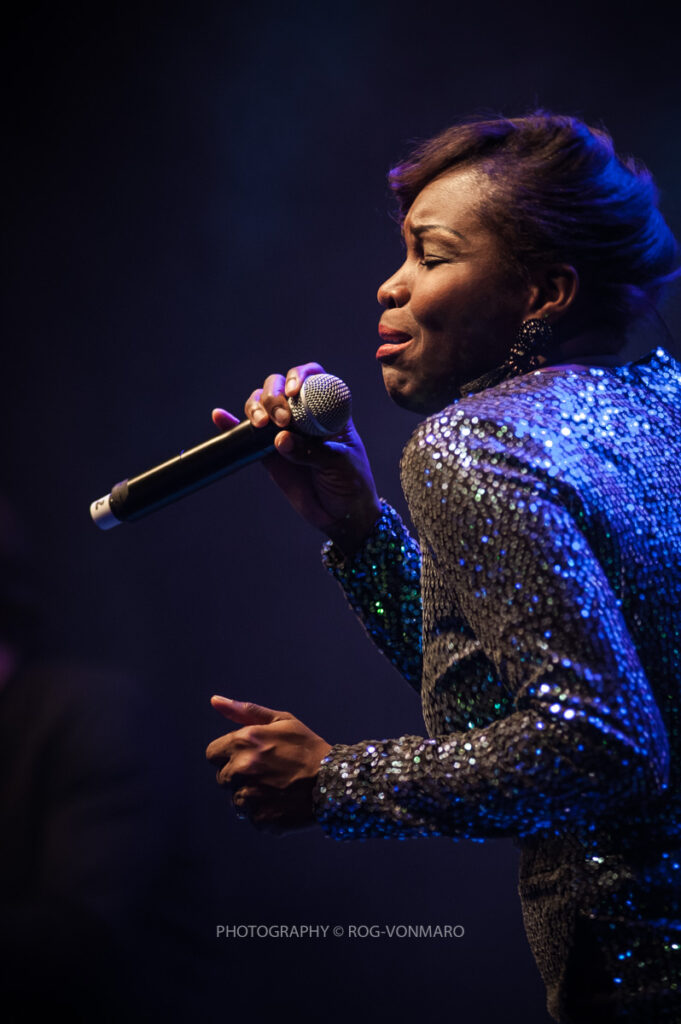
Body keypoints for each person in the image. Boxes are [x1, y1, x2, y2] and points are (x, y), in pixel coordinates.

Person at [205, 113, 681, 1022]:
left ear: (544, 291)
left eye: (430, 256)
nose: (389, 285)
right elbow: (507, 698)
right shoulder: (663, 406)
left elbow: (602, 748)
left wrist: (335, 781)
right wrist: (358, 532)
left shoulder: (474, 441)